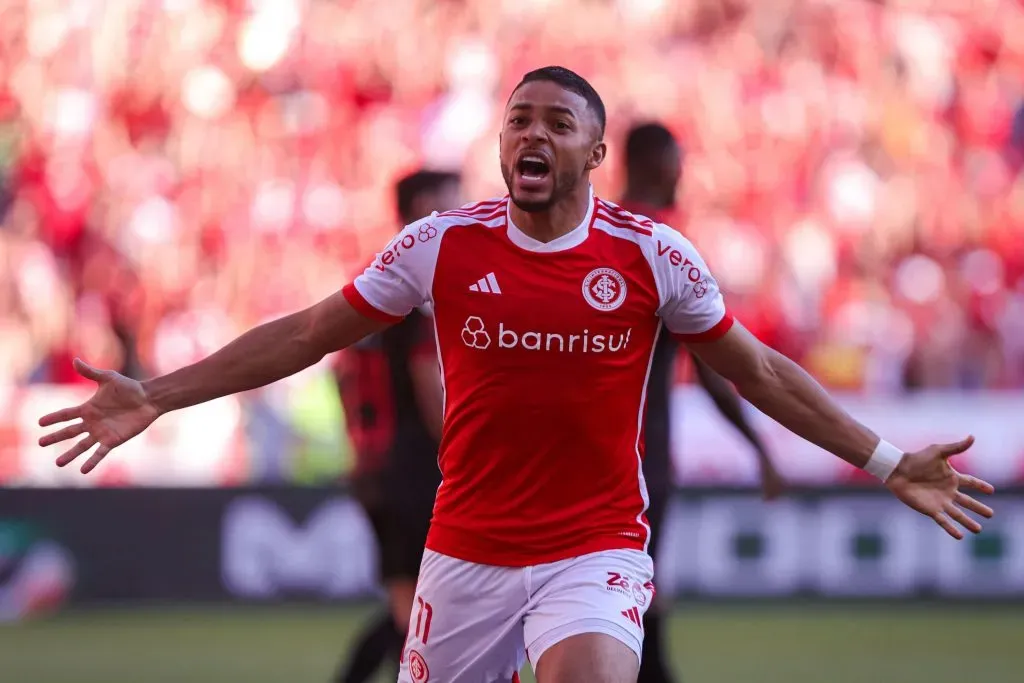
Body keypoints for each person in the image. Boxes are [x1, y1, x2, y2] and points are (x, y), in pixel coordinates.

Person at [38, 66, 995, 683]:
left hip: (596, 547)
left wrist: (880, 459)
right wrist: (157, 393)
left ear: (594, 150)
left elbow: (762, 373)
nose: (530, 135)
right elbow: (307, 334)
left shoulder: (653, 256)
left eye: (556, 122)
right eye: (516, 121)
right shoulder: (440, 246)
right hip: (464, 555)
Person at [620, 121, 784, 683]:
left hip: (585, 452)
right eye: (677, 163)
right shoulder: (666, 244)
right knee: (632, 595)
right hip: (642, 456)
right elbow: (718, 370)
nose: (683, 175)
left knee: (618, 592)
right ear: (656, 166)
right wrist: (758, 444)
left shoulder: (589, 232)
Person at [331, 170, 460, 683]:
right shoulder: (419, 282)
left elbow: (345, 376)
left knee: (409, 601)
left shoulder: (373, 277)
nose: (464, 209)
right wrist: (462, 450)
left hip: (378, 463)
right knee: (426, 608)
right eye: (453, 200)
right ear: (427, 205)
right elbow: (427, 378)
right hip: (418, 463)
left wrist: (361, 451)